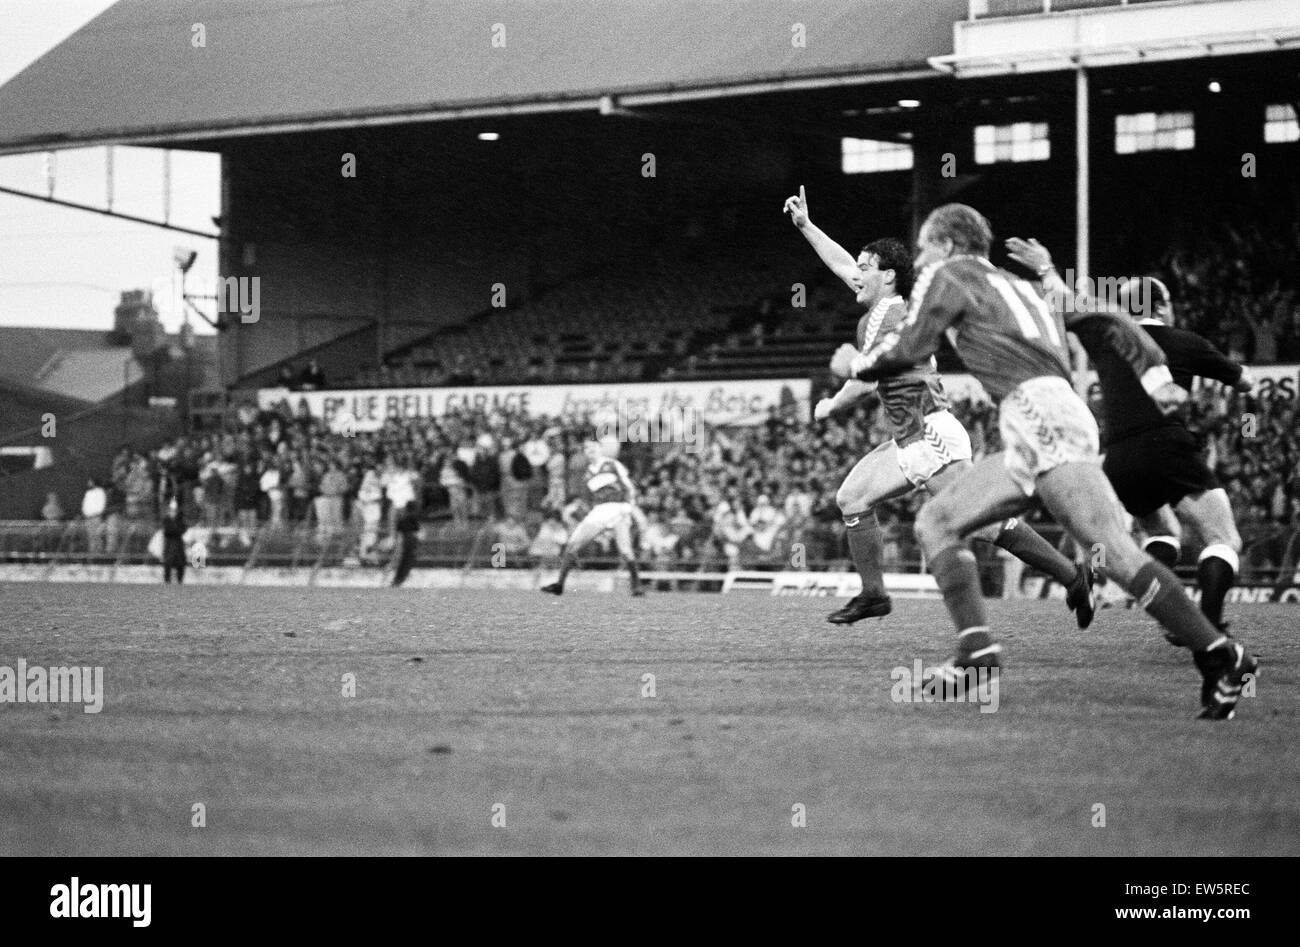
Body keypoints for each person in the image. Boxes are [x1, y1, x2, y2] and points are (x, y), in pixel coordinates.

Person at [834, 203, 1257, 719]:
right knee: (938, 521)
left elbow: (911, 345)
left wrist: (854, 364)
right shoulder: (1028, 288)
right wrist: (1155, 376)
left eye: (924, 247)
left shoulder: (950, 273)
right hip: (1053, 415)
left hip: (1038, 416)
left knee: (1114, 552)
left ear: (946, 245)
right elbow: (1111, 319)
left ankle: (1219, 653)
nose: (919, 259)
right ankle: (978, 653)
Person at [784, 186, 1091, 627]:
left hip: (930, 435)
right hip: (912, 437)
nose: (855, 276)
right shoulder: (884, 306)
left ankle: (1067, 577)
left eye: (865, 270)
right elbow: (844, 266)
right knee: (852, 497)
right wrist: (807, 227)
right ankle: (873, 594)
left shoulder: (885, 317)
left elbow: (868, 378)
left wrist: (831, 405)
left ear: (886, 277)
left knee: (981, 521)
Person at [1006, 241, 1253, 644]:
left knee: (1163, 532)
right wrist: (1236, 397)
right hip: (1167, 446)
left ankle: (1161, 610)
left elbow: (1067, 305)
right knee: (1223, 538)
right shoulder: (1185, 341)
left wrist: (1047, 269)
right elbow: (1241, 379)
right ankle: (1209, 626)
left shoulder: (1106, 340)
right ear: (1161, 305)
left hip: (1118, 457)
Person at [541, 437, 645, 597]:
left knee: (625, 550)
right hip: (600, 511)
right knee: (572, 545)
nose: (589, 451)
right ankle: (559, 585)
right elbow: (589, 500)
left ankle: (637, 586)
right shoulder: (588, 474)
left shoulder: (612, 464)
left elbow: (629, 486)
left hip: (617, 508)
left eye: (593, 448)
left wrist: (628, 506)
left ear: (600, 449)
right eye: (586, 449)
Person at [391, 501, 422, 587]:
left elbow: (398, 533)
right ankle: (400, 580)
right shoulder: (414, 518)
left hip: (404, 540)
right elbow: (417, 531)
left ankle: (397, 579)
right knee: (408, 561)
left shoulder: (402, 519)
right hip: (411, 540)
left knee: (402, 561)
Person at [161, 499, 187, 584]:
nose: (173, 513)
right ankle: (167, 581)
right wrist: (176, 530)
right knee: (168, 563)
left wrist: (175, 530)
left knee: (180, 564)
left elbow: (183, 529)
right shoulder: (166, 520)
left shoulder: (180, 520)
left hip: (178, 545)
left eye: (174, 511)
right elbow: (167, 531)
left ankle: (180, 581)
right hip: (169, 545)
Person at [81, 478, 107, 555]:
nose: (89, 483)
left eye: (90, 482)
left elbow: (101, 504)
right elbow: (85, 504)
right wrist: (85, 513)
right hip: (88, 517)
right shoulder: (88, 493)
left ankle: (99, 553)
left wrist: (96, 513)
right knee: (90, 536)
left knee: (97, 535)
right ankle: (92, 553)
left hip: (96, 517)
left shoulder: (100, 492)